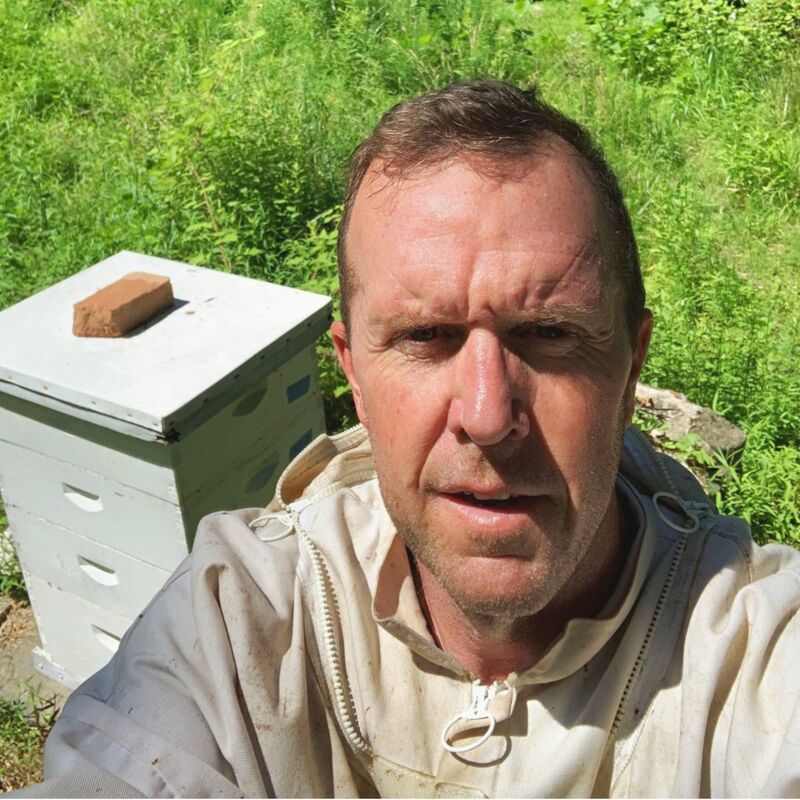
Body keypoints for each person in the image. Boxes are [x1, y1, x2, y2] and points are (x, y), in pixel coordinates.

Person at [14, 79, 800, 798]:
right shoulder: (237, 624)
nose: (488, 416)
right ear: (352, 374)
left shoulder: (754, 661)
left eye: (550, 333)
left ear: (631, 372)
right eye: (426, 335)